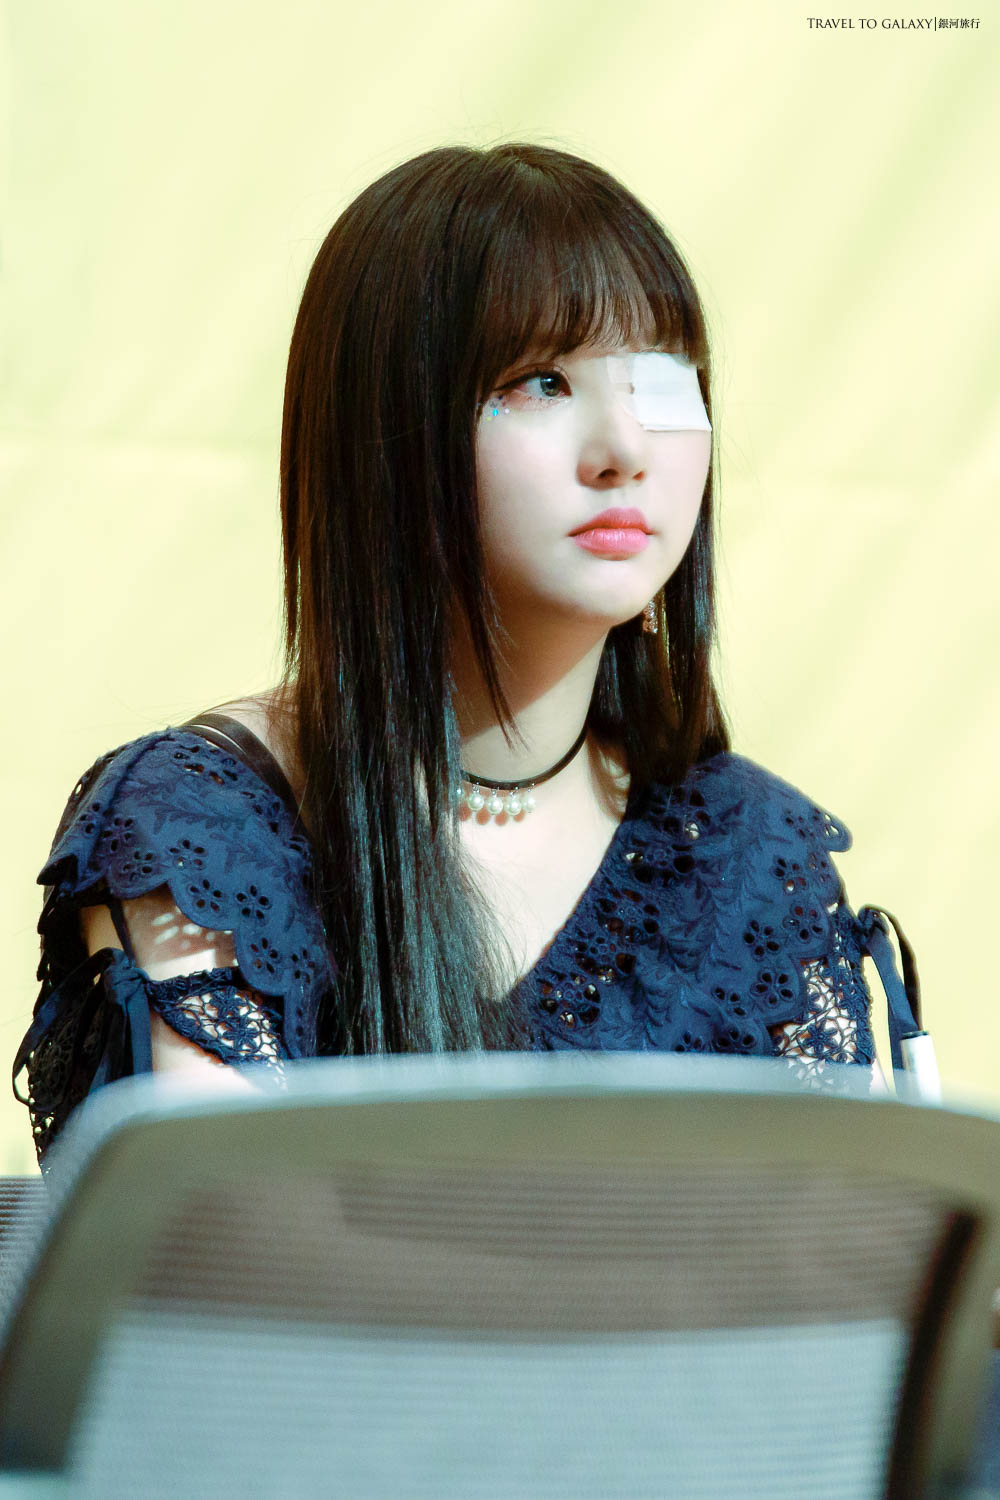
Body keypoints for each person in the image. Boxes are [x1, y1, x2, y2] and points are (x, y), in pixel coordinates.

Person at [13, 141, 916, 1167]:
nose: (624, 449)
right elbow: (223, 1243)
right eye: (540, 381)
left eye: (663, 380)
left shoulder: (750, 853)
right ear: (385, 435)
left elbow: (830, 1242)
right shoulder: (201, 827)